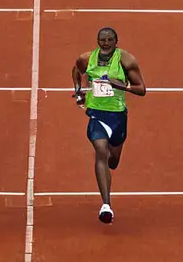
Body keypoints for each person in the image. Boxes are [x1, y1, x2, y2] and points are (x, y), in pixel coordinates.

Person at [71, 27, 146, 224]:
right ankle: (106, 205)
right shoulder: (87, 58)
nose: (105, 43)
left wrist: (118, 85)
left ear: (116, 41)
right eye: (102, 40)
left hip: (118, 116)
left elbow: (141, 89)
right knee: (100, 150)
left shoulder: (126, 60)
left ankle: (108, 167)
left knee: (113, 161)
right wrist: (79, 91)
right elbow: (76, 70)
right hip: (96, 114)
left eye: (109, 40)